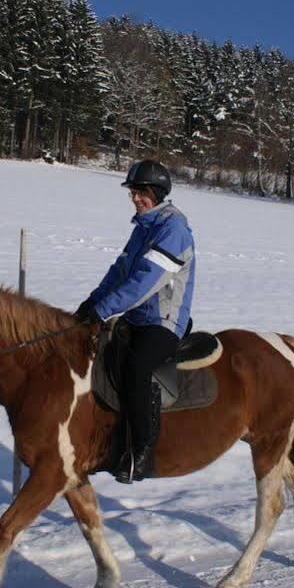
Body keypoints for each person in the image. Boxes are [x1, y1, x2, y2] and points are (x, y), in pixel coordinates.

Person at [75, 160, 196, 483]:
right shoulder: (144, 227)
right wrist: (93, 301)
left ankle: (142, 450)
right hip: (136, 317)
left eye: (141, 193)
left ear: (156, 193)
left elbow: (146, 281)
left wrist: (105, 310)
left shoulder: (173, 229)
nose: (135, 199)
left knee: (137, 369)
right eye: (133, 193)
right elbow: (121, 270)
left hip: (163, 321)